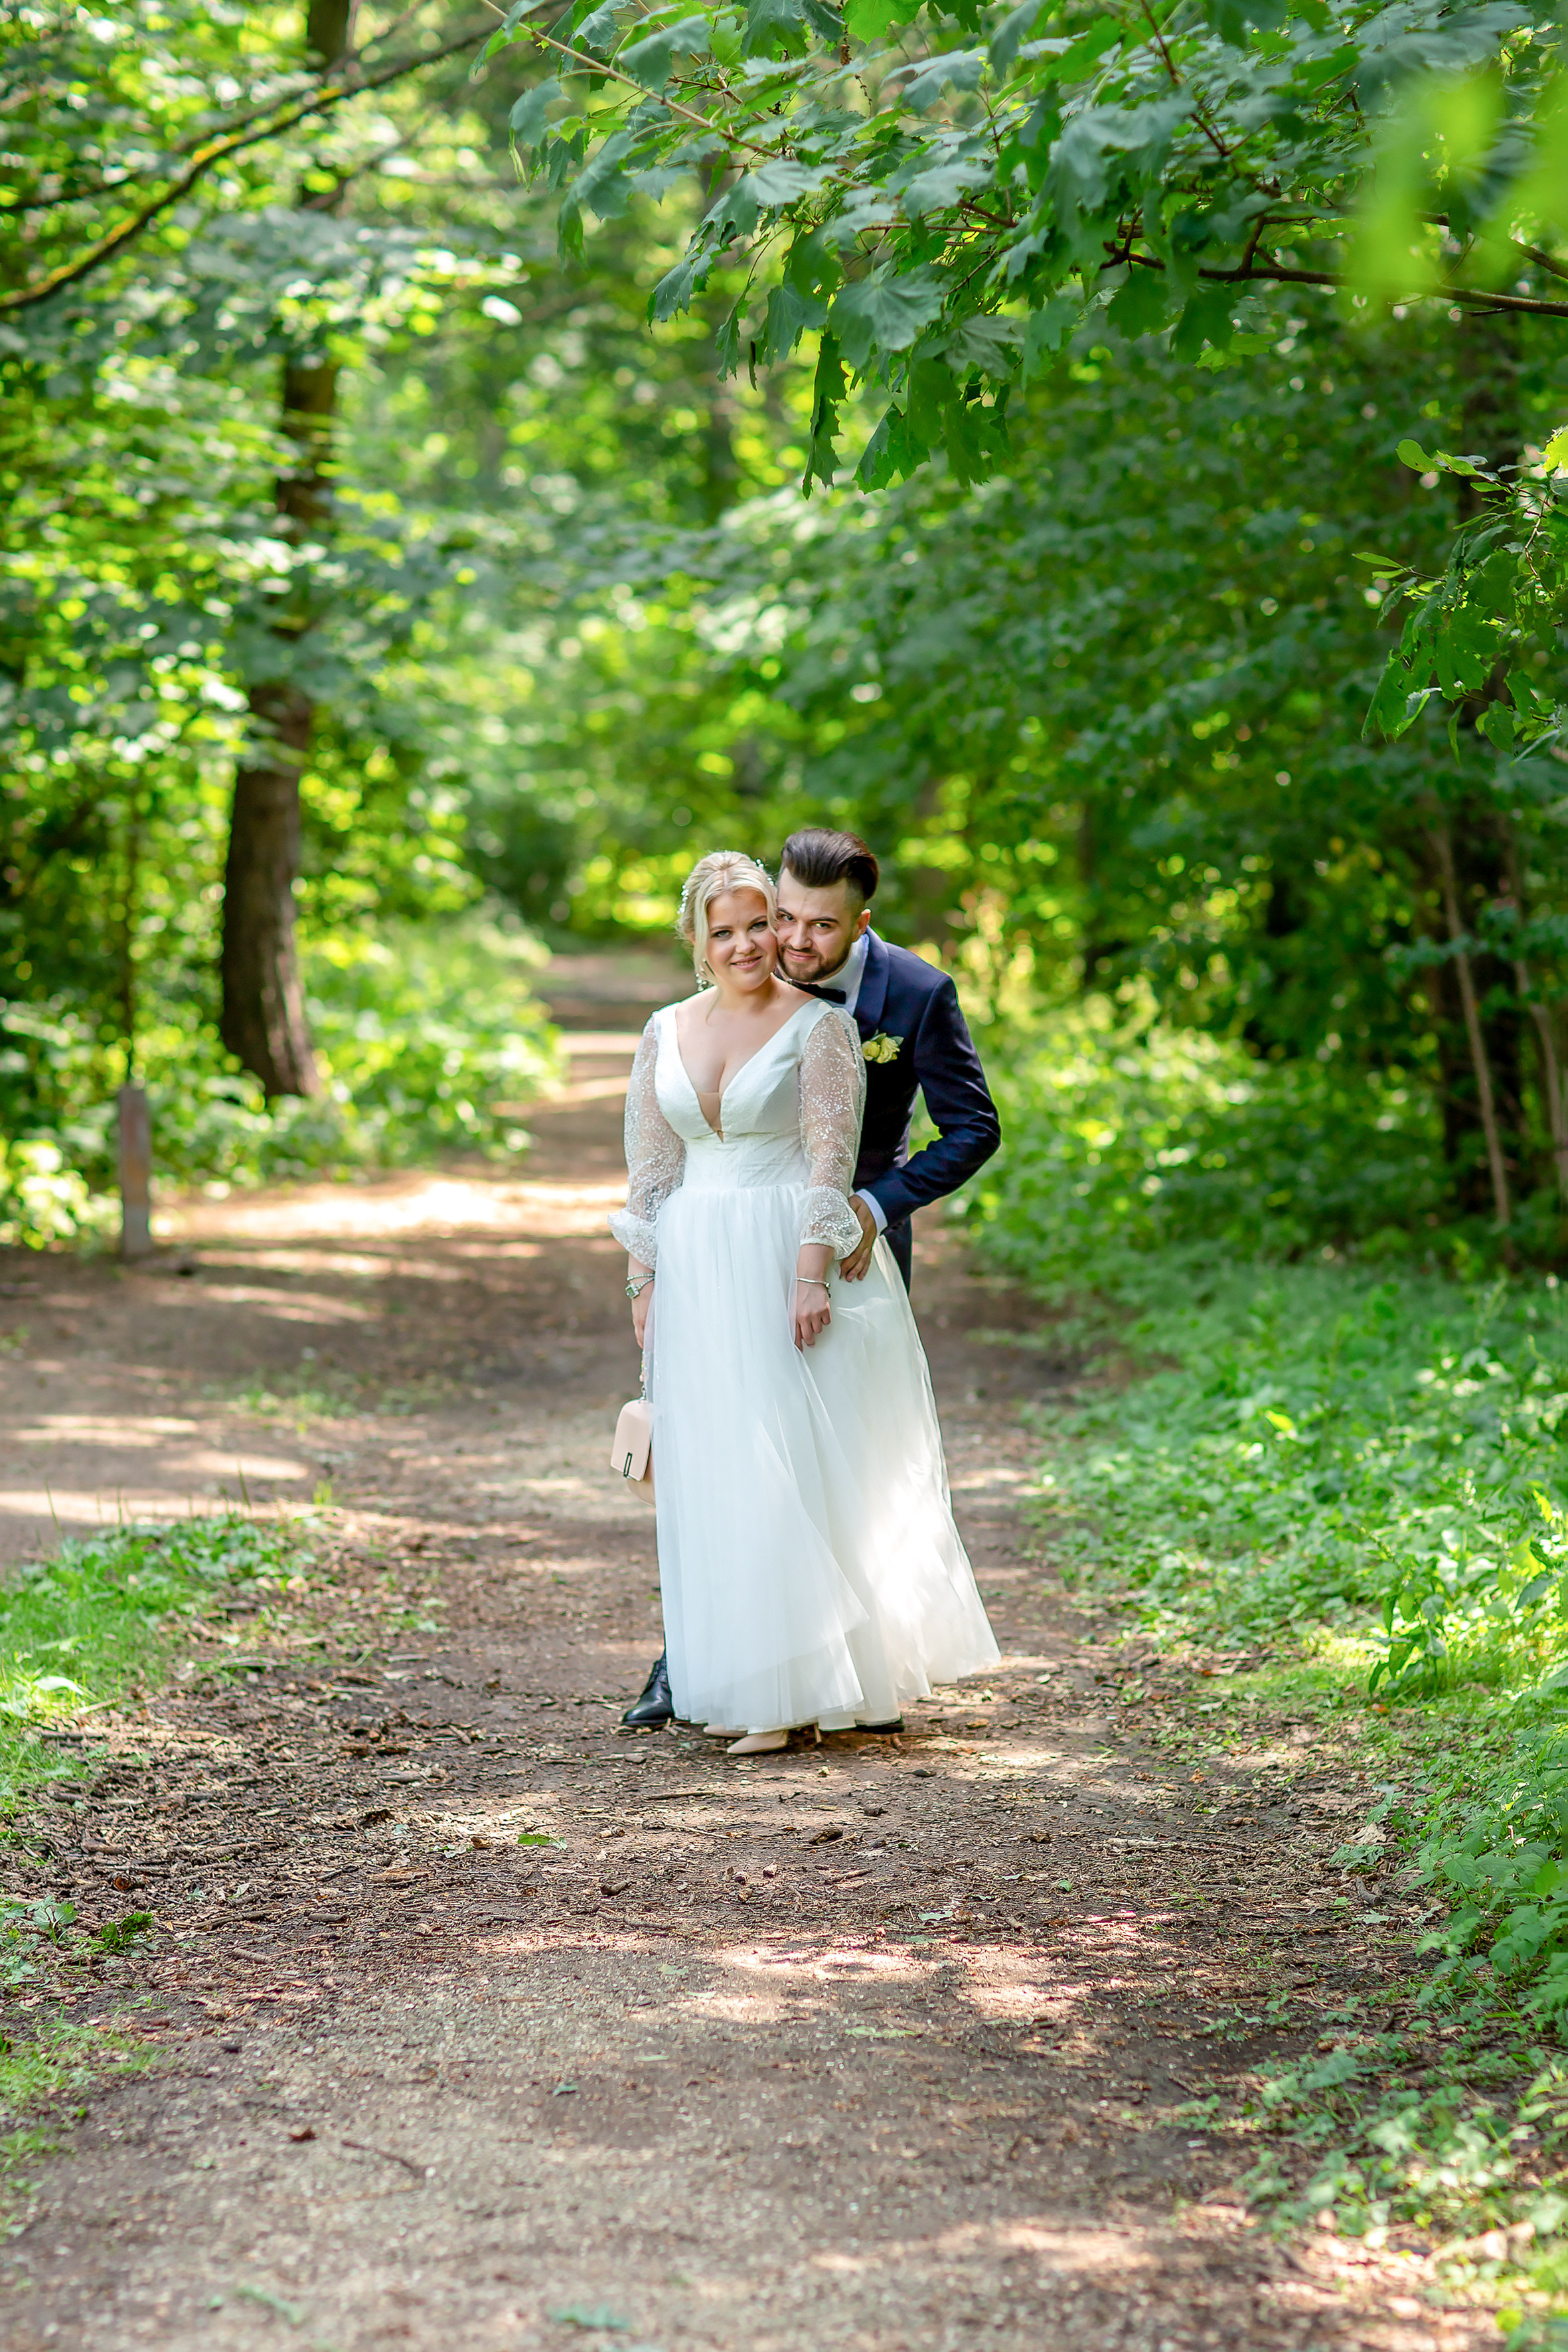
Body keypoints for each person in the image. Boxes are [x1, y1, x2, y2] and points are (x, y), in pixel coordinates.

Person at [611, 849, 998, 1754]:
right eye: (772, 921)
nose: (784, 941)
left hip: (833, 1238)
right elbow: (653, 1163)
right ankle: (708, 1665)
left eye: (807, 926)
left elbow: (964, 1129)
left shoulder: (901, 995)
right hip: (706, 1252)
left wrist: (849, 1225)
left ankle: (845, 1671)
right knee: (721, 1456)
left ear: (857, 923)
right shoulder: (678, 1017)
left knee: (834, 1459)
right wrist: (645, 1277)